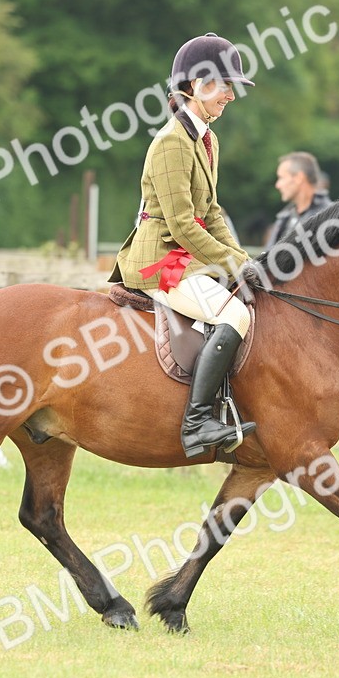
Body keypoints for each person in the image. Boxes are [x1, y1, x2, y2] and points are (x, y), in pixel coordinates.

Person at [108, 32, 257, 458]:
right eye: (222, 85)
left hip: (186, 256)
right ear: (193, 86)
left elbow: (209, 212)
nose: (230, 94)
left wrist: (245, 261)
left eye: (232, 86)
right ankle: (196, 424)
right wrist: (231, 263)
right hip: (161, 259)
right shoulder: (171, 143)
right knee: (235, 313)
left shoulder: (207, 139)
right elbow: (180, 224)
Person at [265, 151, 332, 247]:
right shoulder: (284, 218)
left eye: (281, 178)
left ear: (299, 178)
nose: (277, 185)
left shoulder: (329, 217)